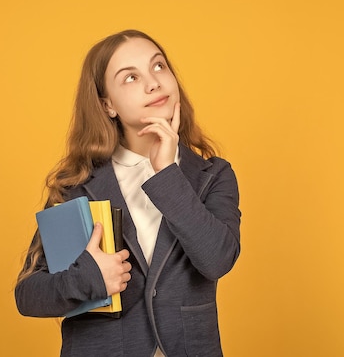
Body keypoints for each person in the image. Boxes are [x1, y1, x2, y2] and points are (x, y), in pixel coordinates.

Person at [15, 29, 241, 357]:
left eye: (159, 67)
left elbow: (217, 260)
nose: (153, 83)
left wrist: (167, 173)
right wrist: (86, 278)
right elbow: (28, 295)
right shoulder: (77, 184)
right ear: (107, 104)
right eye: (131, 77)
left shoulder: (213, 175)